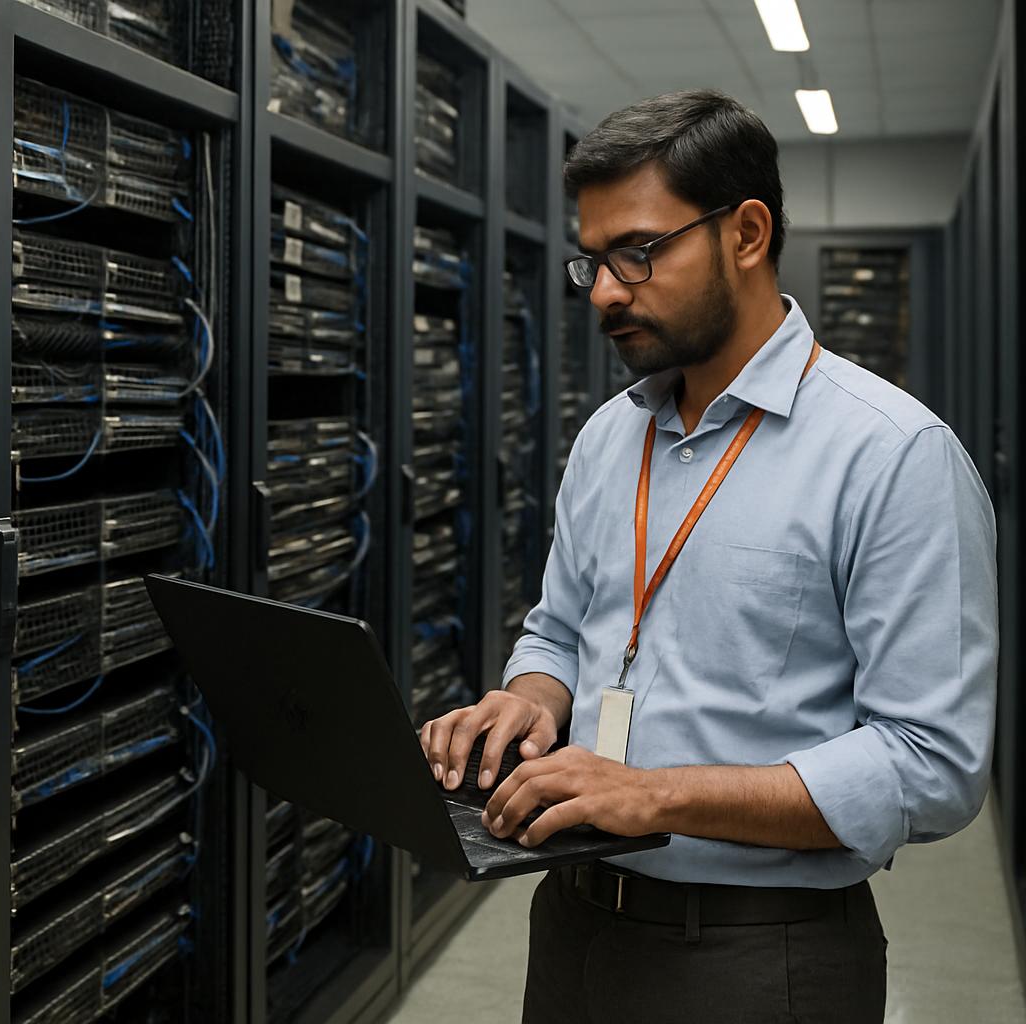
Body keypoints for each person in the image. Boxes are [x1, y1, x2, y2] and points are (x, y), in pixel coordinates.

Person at [419, 89, 998, 1023]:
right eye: (593, 262)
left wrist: (658, 797)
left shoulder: (893, 455)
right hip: (570, 925)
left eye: (638, 252)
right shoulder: (612, 436)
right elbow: (559, 629)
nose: (607, 290)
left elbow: (931, 764)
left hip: (761, 956)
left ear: (748, 233)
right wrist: (526, 701)